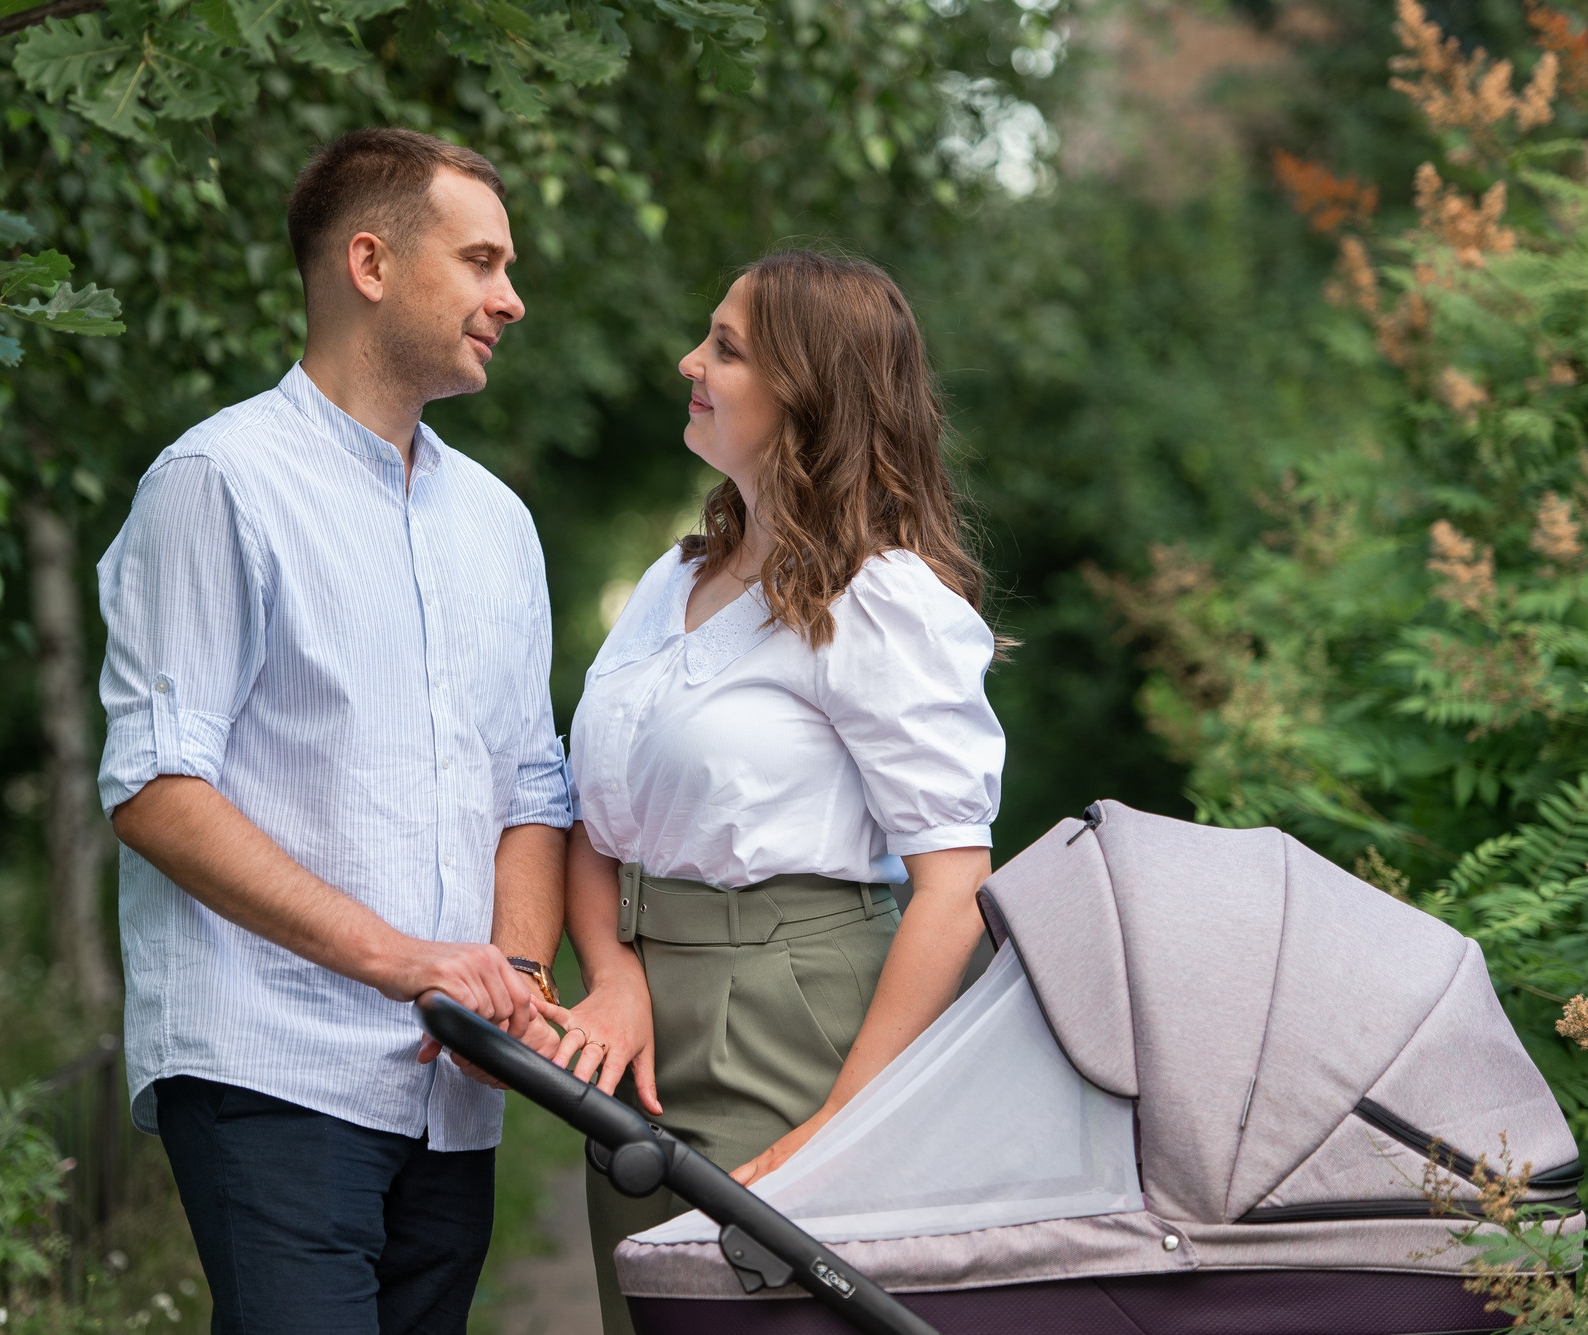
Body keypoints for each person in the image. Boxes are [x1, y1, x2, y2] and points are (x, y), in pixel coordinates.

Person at [96, 128, 571, 1335]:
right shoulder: (219, 482)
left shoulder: (500, 525)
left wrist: (505, 983)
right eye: (479, 262)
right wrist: (405, 962)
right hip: (273, 1066)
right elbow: (155, 786)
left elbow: (530, 787)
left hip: (455, 1093)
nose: (510, 299)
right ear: (369, 262)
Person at [556, 250, 1007, 1334]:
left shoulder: (880, 600)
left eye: (725, 347)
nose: (688, 362)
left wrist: (843, 1124)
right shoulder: (673, 582)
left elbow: (952, 885)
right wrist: (612, 974)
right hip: (637, 1039)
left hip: (792, 1022)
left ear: (810, 391)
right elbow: (593, 816)